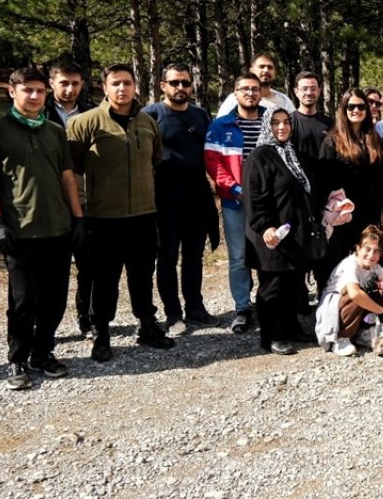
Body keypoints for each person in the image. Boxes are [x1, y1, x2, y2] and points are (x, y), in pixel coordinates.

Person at [0, 67, 83, 389]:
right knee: (23, 302)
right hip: (20, 230)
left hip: (58, 228)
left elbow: (67, 176)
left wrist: (78, 218)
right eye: (28, 90)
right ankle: (18, 359)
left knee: (55, 299)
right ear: (12, 91)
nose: (35, 96)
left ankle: (43, 352)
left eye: (40, 91)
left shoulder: (54, 131)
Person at [68, 64, 173, 361]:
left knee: (142, 275)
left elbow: (154, 159)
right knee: (104, 279)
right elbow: (72, 166)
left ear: (136, 86)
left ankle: (147, 326)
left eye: (127, 83)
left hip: (142, 214)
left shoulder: (147, 123)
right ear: (105, 88)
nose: (122, 89)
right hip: (103, 217)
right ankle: (101, 332)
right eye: (116, 83)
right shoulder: (85, 123)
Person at [143, 63, 218, 335]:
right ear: (163, 85)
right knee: (167, 256)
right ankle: (173, 314)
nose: (180, 88)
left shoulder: (200, 115)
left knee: (194, 256)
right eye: (174, 83)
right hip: (165, 199)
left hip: (197, 196)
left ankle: (195, 307)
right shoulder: (150, 115)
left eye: (185, 83)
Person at [243, 108, 321, 356]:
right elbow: (254, 197)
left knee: (293, 283)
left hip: (295, 233)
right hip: (272, 235)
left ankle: (291, 328)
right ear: (267, 126)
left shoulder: (293, 153)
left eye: (286, 122)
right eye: (275, 123)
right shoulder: (259, 156)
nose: (281, 127)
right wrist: (266, 226)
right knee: (273, 287)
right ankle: (272, 336)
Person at [206, 73, 266, 334]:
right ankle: (242, 307)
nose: (250, 93)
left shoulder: (271, 121)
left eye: (254, 89)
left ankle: (268, 302)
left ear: (261, 92)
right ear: (235, 93)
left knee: (268, 254)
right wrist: (235, 188)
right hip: (236, 202)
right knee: (239, 257)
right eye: (244, 89)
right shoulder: (220, 126)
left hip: (267, 203)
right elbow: (212, 162)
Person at [45, 61, 96, 336]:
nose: (69, 88)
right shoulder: (40, 112)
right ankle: (47, 326)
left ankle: (86, 318)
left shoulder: (94, 112)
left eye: (75, 83)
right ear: (51, 83)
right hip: (52, 203)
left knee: (89, 265)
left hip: (87, 199)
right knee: (53, 270)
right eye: (63, 82)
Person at [319, 88, 383, 268]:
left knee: (367, 262)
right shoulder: (332, 140)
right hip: (343, 214)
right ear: (344, 109)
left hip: (370, 211)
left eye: (361, 106)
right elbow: (323, 179)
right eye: (351, 106)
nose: (356, 110)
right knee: (343, 264)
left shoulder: (375, 139)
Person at [319, 226, 383, 357]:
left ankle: (363, 331)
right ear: (358, 248)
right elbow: (355, 294)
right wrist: (379, 310)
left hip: (356, 308)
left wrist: (382, 281)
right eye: (367, 249)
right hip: (335, 308)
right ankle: (342, 338)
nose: (371, 255)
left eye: (376, 251)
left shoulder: (375, 266)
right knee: (358, 294)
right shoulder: (350, 264)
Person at [216, 53, 295, 117]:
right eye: (261, 67)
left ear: (275, 72)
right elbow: (220, 128)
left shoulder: (285, 101)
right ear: (251, 70)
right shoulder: (235, 99)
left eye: (270, 67)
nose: (266, 70)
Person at [291, 71, 332, 159]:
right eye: (304, 89)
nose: (309, 93)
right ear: (296, 92)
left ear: (319, 91)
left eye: (313, 89)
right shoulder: (289, 122)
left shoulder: (329, 123)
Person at [45, 61, 92, 127]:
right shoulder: (39, 111)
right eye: (64, 83)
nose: (70, 90)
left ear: (81, 84)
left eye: (75, 84)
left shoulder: (92, 111)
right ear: (52, 83)